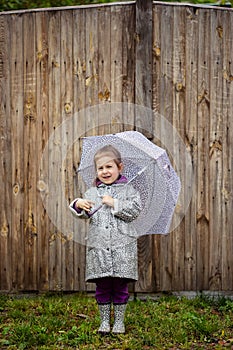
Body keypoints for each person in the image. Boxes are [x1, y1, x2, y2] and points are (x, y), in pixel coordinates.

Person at [69, 145, 142, 334]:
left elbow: (134, 211)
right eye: (100, 168)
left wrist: (114, 203)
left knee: (119, 285)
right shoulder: (92, 192)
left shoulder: (130, 190)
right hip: (99, 247)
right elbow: (85, 214)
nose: (105, 171)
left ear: (120, 167)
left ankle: (118, 322)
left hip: (122, 247)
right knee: (102, 285)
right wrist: (78, 204)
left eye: (109, 167)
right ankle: (104, 322)